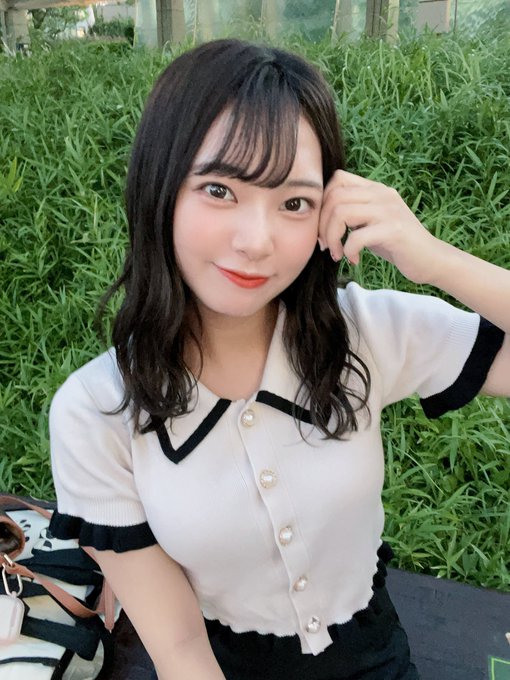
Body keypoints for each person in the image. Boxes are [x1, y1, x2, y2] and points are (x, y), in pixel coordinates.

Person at [48, 39, 510, 680]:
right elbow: (179, 650)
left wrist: (433, 259)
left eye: (294, 202)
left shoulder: (365, 332)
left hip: (375, 658)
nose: (257, 241)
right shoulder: (97, 411)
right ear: (160, 187)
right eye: (219, 189)